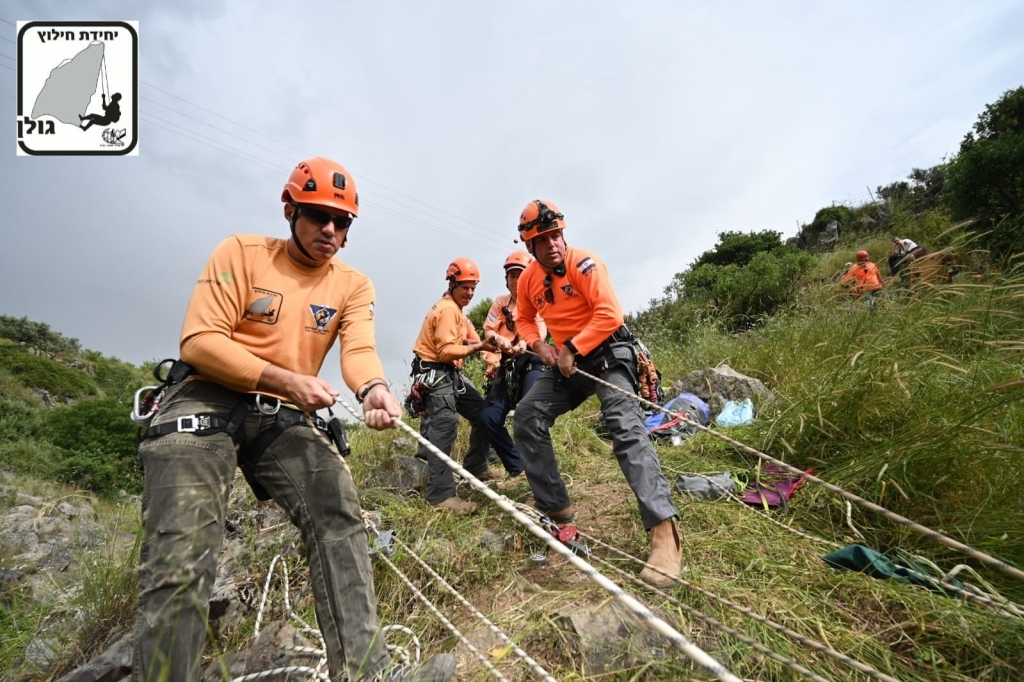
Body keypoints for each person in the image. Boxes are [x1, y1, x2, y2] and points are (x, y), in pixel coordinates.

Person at [132, 157, 456, 682]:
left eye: (342, 222)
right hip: (204, 398)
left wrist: (373, 389)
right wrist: (285, 380)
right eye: (317, 215)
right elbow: (200, 340)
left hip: (280, 413)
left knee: (337, 510)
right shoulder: (240, 253)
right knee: (182, 552)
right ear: (290, 210)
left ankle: (366, 673)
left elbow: (359, 349)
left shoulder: (353, 284)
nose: (330, 230)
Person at [510, 199, 682, 588]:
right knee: (527, 417)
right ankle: (557, 512)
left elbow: (609, 314)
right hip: (566, 363)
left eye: (556, 235)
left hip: (608, 353)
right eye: (543, 239)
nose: (552, 244)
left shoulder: (585, 263)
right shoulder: (529, 280)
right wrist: (539, 346)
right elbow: (523, 318)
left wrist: (572, 347)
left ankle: (664, 532)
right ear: (530, 245)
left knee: (625, 427)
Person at [410, 258, 502, 515]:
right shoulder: (448, 310)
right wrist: (479, 346)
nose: (470, 293)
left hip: (450, 374)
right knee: (445, 425)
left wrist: (491, 346)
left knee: (483, 413)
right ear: (452, 285)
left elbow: (469, 339)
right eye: (465, 287)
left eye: (473, 288)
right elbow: (445, 351)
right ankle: (441, 495)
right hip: (437, 374)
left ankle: (476, 466)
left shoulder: (457, 311)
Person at [477, 250, 548, 490]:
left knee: (528, 414)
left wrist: (524, 343)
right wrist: (498, 339)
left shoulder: (539, 300)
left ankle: (540, 473)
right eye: (512, 275)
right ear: (506, 279)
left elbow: (540, 330)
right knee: (488, 418)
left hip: (531, 361)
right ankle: (518, 468)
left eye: (521, 275)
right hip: (507, 365)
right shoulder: (500, 303)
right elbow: (488, 329)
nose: (516, 280)